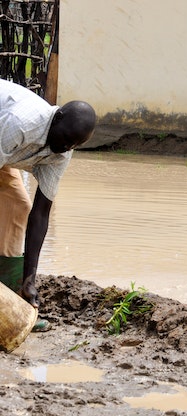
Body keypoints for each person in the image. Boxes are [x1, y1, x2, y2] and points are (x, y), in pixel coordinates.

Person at [0, 78, 96, 315]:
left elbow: (41, 213)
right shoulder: (22, 123)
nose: (65, 147)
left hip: (4, 151)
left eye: (73, 144)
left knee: (19, 206)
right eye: (65, 139)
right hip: (4, 136)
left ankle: (12, 291)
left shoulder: (63, 153)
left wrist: (30, 280)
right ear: (58, 117)